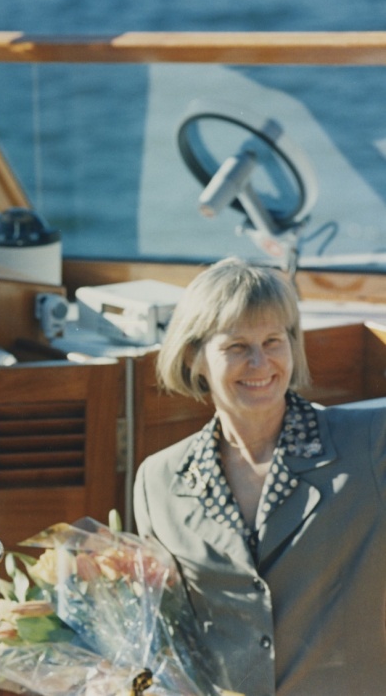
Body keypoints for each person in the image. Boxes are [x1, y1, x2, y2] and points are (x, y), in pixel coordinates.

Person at [133, 257, 386, 696]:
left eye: (273, 341)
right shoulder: (159, 481)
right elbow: (169, 634)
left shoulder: (369, 444)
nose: (259, 362)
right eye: (236, 347)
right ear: (194, 356)